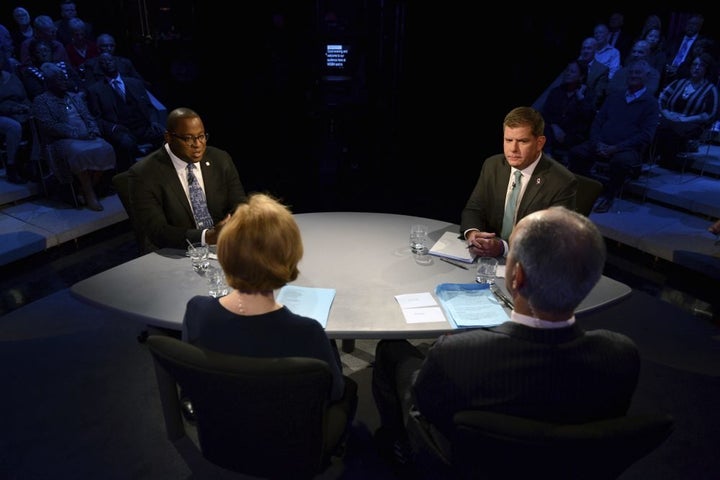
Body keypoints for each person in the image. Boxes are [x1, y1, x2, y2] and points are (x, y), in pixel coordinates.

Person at [372, 206, 640, 474]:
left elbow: (424, 403)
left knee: (390, 349)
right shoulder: (622, 355)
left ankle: (400, 449)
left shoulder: (456, 354)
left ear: (516, 276)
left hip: (464, 463)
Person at [182, 192, 357, 438]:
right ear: (290, 257)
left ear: (225, 251)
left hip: (226, 432)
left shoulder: (196, 310)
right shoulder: (307, 332)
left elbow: (193, 381)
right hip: (291, 439)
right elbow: (334, 392)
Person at [460, 106, 577, 259]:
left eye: (522, 141)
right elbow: (474, 209)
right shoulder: (493, 165)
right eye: (508, 140)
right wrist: (473, 234)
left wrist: (504, 248)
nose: (513, 149)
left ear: (539, 143)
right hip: (486, 260)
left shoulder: (562, 182)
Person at [127, 107, 247, 249]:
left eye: (201, 136)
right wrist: (208, 237)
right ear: (169, 138)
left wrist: (232, 226)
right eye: (188, 138)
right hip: (179, 250)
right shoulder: (143, 174)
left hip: (225, 243)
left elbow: (239, 205)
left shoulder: (220, 159)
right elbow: (157, 231)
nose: (197, 145)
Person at [567, 59, 659, 213]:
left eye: (638, 73)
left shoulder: (651, 103)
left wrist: (616, 148)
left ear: (646, 77)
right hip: (602, 143)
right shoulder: (615, 96)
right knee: (577, 153)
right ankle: (583, 190)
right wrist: (597, 143)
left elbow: (646, 135)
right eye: (631, 72)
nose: (633, 75)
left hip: (626, 149)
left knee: (620, 162)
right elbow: (597, 121)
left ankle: (609, 197)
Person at [32, 62, 116, 211]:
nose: (64, 81)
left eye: (64, 78)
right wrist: (77, 134)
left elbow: (88, 117)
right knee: (80, 153)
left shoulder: (74, 96)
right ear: (49, 82)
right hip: (61, 140)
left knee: (107, 148)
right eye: (59, 79)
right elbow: (49, 126)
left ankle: (83, 190)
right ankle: (90, 195)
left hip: (86, 136)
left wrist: (93, 130)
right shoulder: (41, 101)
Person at [85, 53, 164, 171]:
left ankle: (163, 171)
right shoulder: (95, 90)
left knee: (165, 136)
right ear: (100, 67)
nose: (107, 63)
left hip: (143, 126)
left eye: (110, 60)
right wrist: (113, 128)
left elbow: (149, 106)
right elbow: (97, 118)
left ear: (116, 62)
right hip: (121, 129)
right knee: (126, 144)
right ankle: (132, 177)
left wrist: (153, 121)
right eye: (103, 62)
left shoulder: (135, 83)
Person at [655, 53, 719, 169]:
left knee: (674, 129)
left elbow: (710, 113)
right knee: (656, 125)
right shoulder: (679, 83)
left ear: (707, 69)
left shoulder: (710, 89)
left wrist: (685, 119)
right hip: (669, 117)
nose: (697, 67)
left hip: (692, 123)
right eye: (694, 64)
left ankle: (666, 159)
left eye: (701, 65)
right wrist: (666, 113)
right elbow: (661, 99)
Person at [539, 60, 596, 161]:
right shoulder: (556, 91)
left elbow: (588, 117)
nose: (568, 73)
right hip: (552, 132)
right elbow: (545, 113)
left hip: (573, 135)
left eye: (572, 72)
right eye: (567, 71)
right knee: (542, 128)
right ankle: (548, 156)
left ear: (581, 77)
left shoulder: (587, 95)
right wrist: (554, 126)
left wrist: (581, 99)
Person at [0, 50, 33, 184]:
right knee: (14, 127)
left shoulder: (12, 76)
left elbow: (24, 97)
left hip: (20, 111)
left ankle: (33, 163)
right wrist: (12, 109)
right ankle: (12, 165)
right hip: (3, 114)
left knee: (38, 120)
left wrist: (28, 108)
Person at [18, 38, 84, 100]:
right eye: (39, 52)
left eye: (46, 50)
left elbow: (78, 83)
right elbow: (37, 93)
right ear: (33, 57)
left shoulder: (63, 65)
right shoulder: (31, 72)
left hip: (74, 98)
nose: (44, 54)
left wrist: (81, 93)